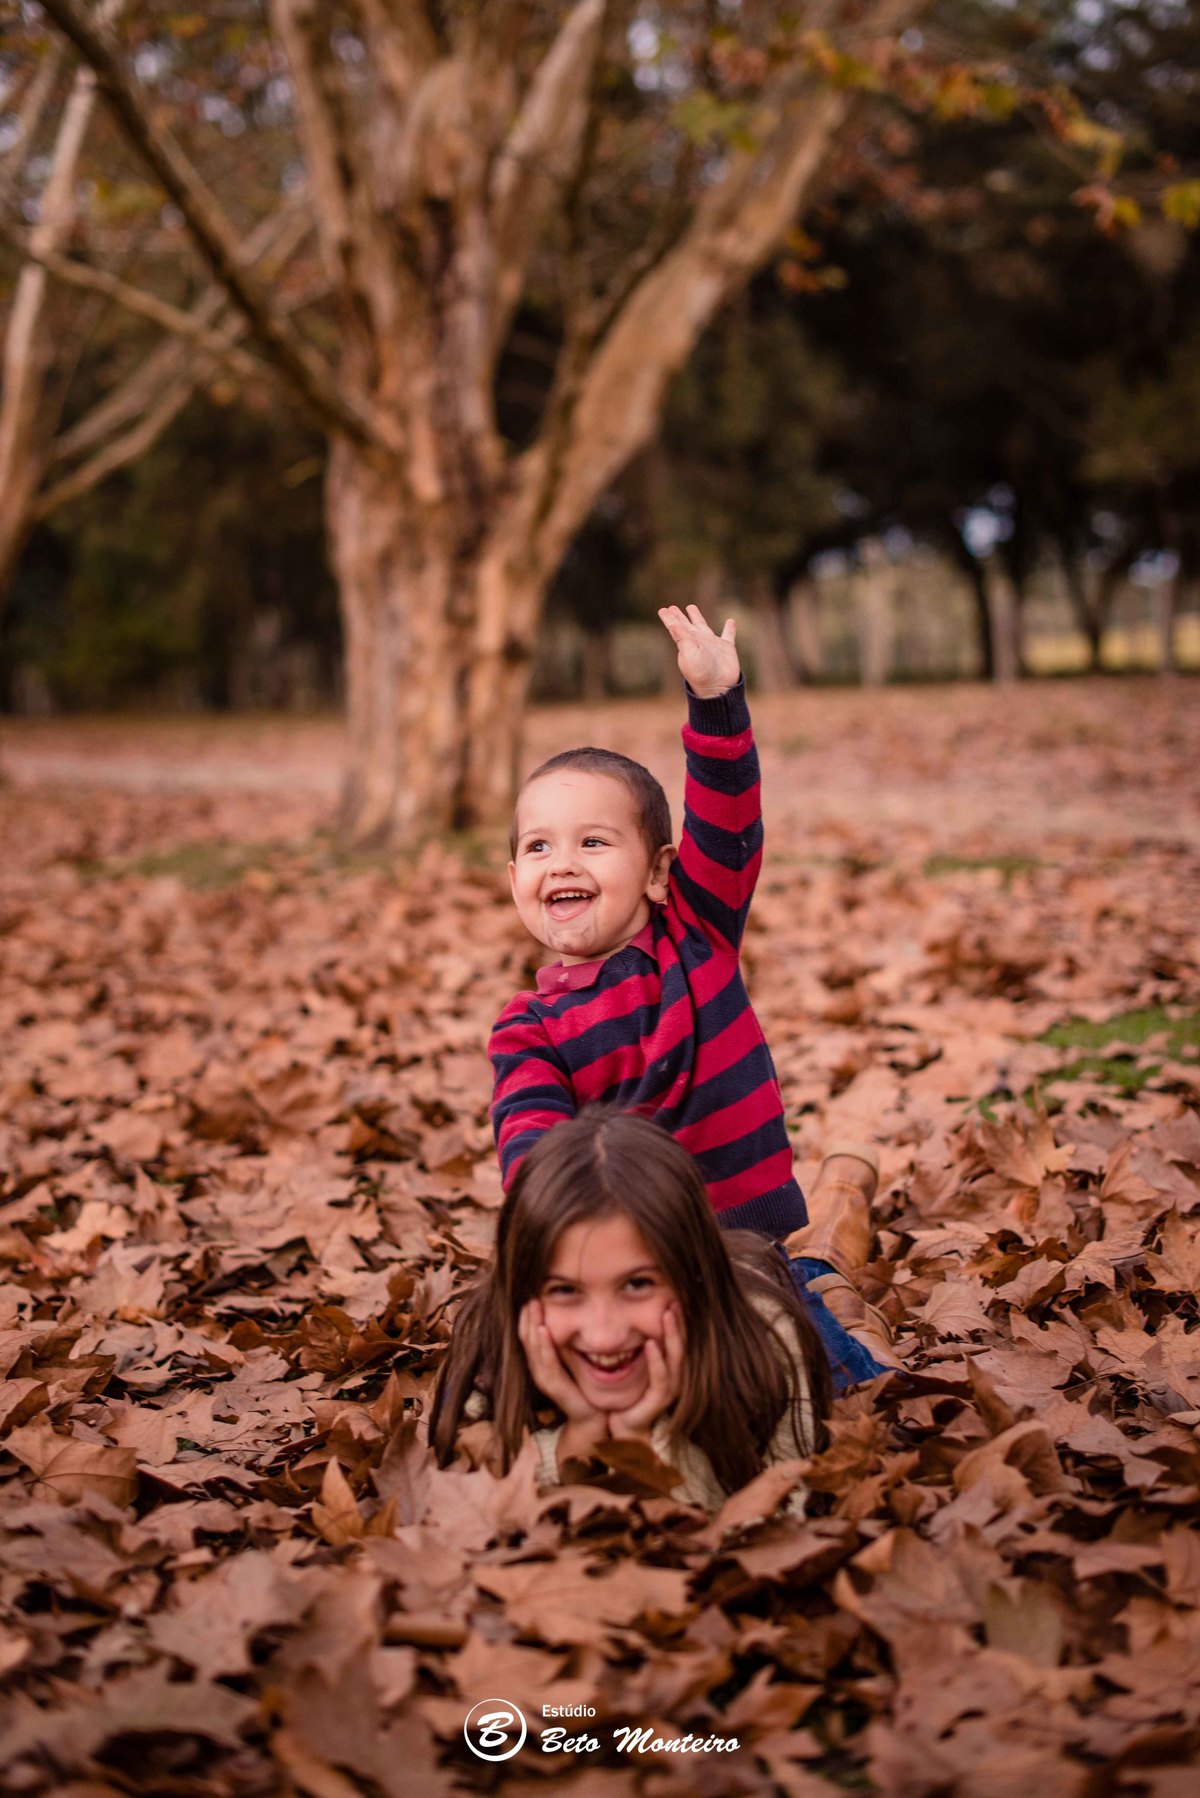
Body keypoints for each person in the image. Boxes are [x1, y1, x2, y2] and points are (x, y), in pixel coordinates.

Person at [489, 603, 895, 1386]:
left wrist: (717, 702)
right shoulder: (527, 1029)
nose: (562, 862)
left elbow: (728, 811)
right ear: (515, 882)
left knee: (802, 1376)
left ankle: (836, 1316)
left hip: (741, 1250)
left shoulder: (697, 932)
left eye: (594, 842)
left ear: (657, 870)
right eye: (538, 847)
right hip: (632, 1268)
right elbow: (531, 1155)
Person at [430, 1109, 833, 1512]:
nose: (605, 1334)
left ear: (694, 1276)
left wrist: (640, 1446)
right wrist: (582, 1437)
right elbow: (467, 1508)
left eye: (638, 1284)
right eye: (565, 1289)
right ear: (520, 1289)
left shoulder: (764, 1332)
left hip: (763, 1279)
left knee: (826, 1296)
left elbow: (786, 1516)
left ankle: (842, 1195)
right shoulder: (491, 1343)